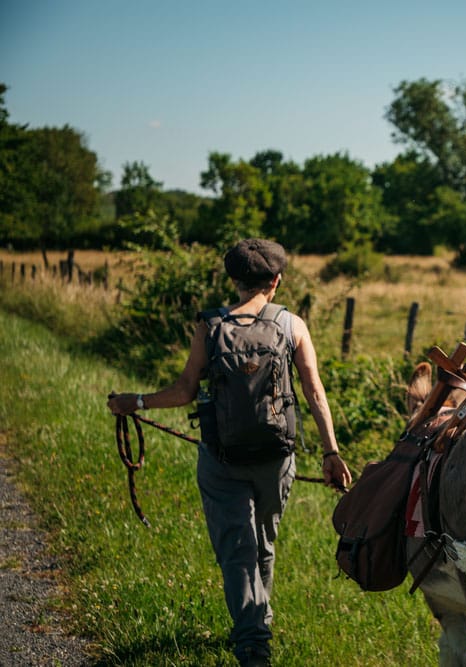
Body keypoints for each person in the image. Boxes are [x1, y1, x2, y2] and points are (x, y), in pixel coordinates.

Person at [107, 238, 351, 667]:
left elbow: (184, 391)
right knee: (264, 542)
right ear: (276, 281)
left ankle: (252, 639)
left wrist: (137, 402)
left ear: (234, 280)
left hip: (221, 458)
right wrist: (331, 453)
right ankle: (259, 621)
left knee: (236, 548)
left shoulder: (210, 325)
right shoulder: (292, 325)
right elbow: (314, 391)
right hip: (277, 458)